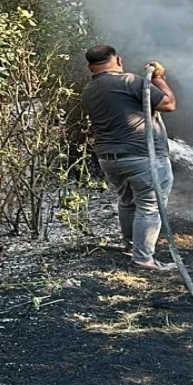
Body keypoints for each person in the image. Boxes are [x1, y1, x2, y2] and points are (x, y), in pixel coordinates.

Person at [80, 44, 178, 270]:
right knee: (150, 206)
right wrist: (160, 78)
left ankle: (132, 246)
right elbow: (169, 104)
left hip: (109, 159)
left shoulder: (88, 90)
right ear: (119, 61)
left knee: (127, 202)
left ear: (90, 67)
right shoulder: (131, 81)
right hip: (142, 156)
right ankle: (143, 258)